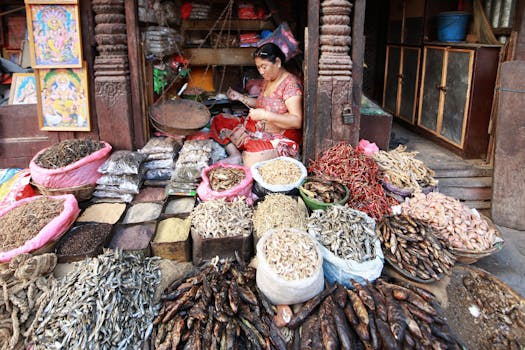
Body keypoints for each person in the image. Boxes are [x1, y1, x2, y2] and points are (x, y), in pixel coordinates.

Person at [210, 43, 303, 162]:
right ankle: (235, 155)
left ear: (278, 62)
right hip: (257, 128)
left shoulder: (290, 84)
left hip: (279, 135)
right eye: (258, 67)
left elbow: (296, 121)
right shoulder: (268, 79)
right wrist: (240, 97)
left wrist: (265, 115)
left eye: (264, 66)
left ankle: (249, 152)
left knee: (253, 155)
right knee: (219, 120)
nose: (261, 72)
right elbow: (262, 103)